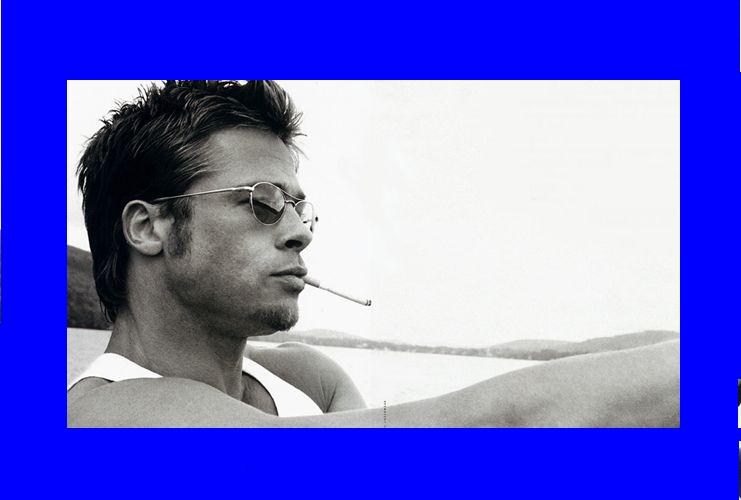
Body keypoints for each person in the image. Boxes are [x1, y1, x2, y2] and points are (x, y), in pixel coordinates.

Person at [67, 80, 679, 427]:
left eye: (300, 207)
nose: (300, 232)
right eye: (262, 201)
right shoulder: (105, 414)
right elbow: (501, 425)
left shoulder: (311, 378)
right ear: (147, 227)